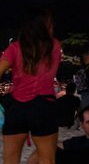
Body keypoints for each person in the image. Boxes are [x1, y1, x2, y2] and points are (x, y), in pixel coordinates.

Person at [0, 10, 62, 164]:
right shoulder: (54, 45)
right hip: (43, 106)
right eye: (49, 23)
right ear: (43, 26)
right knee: (47, 160)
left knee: (10, 161)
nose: (52, 26)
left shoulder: (14, 47)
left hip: (16, 108)